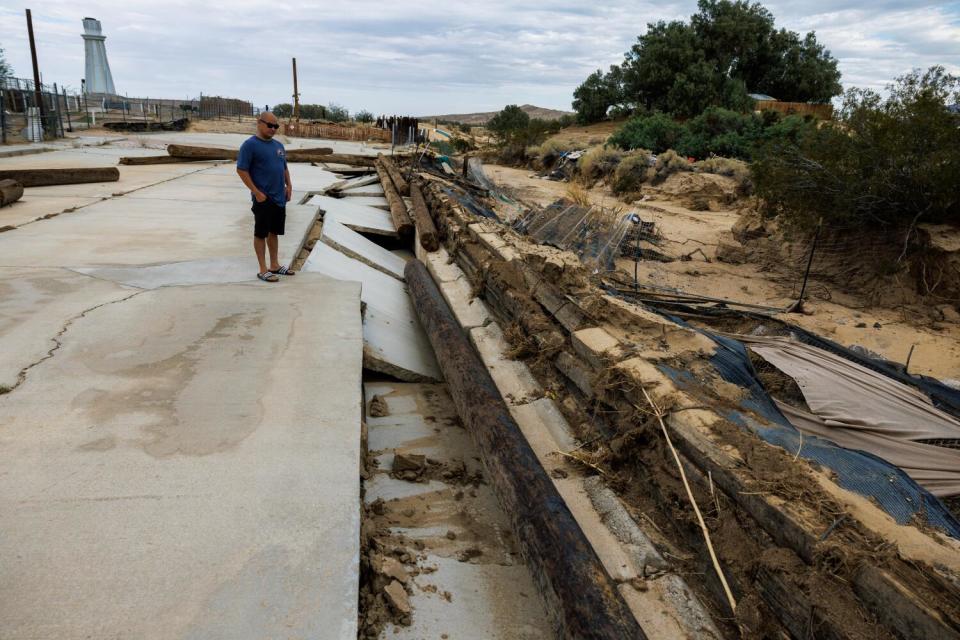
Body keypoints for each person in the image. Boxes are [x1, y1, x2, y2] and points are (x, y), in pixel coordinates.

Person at [236, 112, 295, 282]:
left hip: (279, 197)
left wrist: (289, 186)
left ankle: (274, 265)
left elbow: (284, 168)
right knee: (261, 233)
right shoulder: (250, 145)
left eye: (276, 126)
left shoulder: (278, 146)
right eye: (270, 125)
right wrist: (256, 192)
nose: (273, 129)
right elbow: (241, 170)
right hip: (263, 197)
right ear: (259, 123)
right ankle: (263, 269)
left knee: (274, 232)